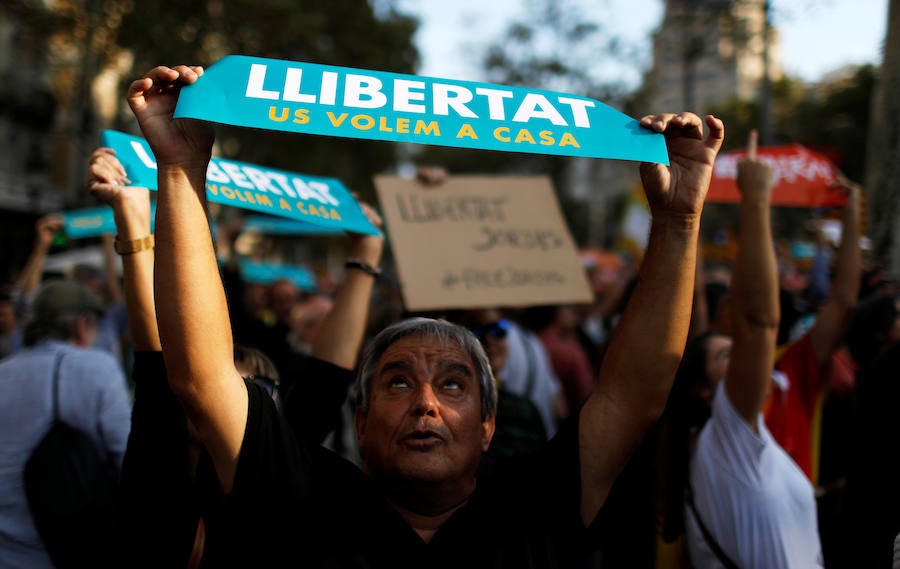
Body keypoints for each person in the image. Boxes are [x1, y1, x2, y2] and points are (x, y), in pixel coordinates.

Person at [128, 64, 723, 566]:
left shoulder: (532, 506)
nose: (425, 403)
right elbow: (203, 378)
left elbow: (631, 398)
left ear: (488, 428)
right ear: (359, 425)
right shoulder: (306, 495)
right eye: (397, 381)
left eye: (454, 384)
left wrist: (680, 222)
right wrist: (180, 172)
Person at [686, 132, 822, 568]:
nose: (742, 356)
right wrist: (756, 199)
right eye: (726, 356)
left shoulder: (746, 441)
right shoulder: (726, 434)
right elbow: (758, 325)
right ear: (705, 392)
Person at [0, 278, 131, 568]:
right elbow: (131, 462)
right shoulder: (96, 367)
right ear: (82, 326)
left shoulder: (2, 373)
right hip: (72, 552)